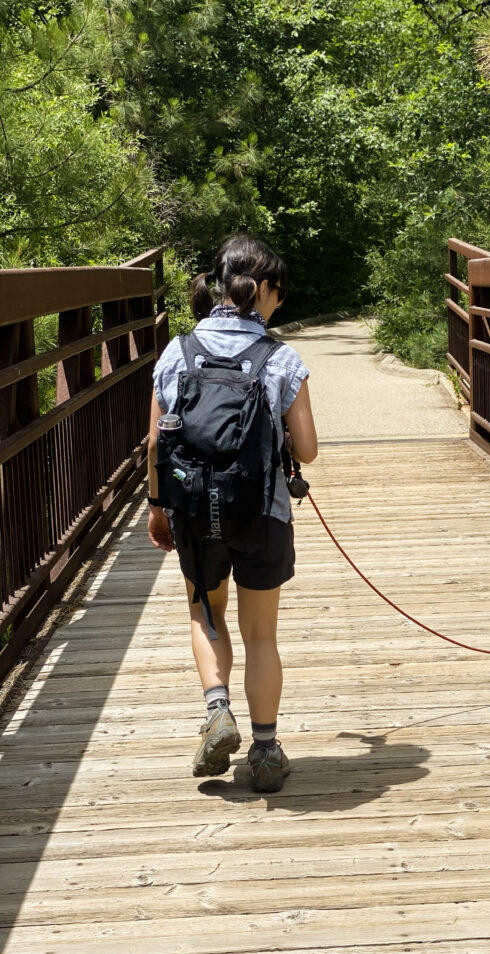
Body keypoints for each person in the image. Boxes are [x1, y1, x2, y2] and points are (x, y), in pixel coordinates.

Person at [146, 235, 317, 792]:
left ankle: (217, 712)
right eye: (279, 295)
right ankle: (266, 752)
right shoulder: (280, 357)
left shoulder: (178, 351)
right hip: (261, 514)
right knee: (261, 635)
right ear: (262, 289)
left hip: (196, 511)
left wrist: (156, 508)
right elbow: (308, 448)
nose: (279, 305)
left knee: (206, 614)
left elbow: (155, 442)